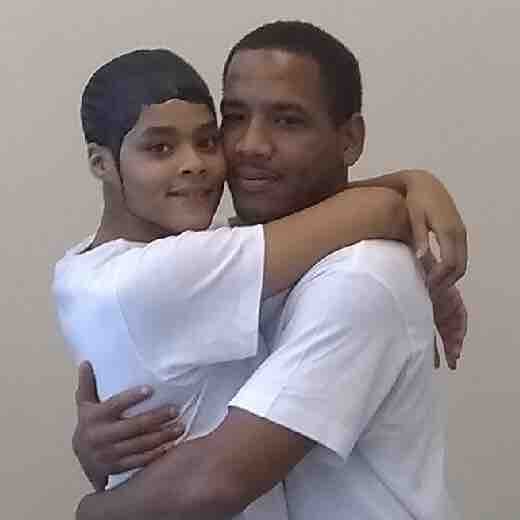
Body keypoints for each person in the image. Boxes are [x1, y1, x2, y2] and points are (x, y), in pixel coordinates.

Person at [68, 22, 466, 520]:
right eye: (234, 118)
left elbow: (217, 481)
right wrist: (95, 447)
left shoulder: (360, 277)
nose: (250, 145)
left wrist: (91, 512)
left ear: (350, 139)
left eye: (287, 121)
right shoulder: (232, 257)